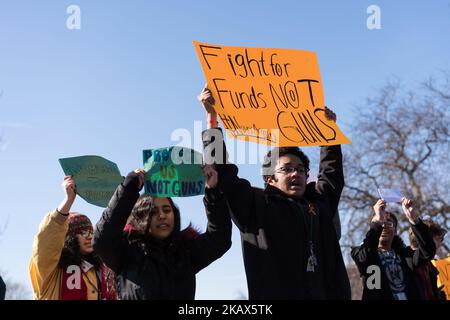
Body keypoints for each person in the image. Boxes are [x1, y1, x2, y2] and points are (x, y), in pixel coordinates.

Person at [197, 86, 351, 299]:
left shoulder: (319, 205)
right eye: (286, 169)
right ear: (270, 179)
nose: (295, 174)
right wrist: (211, 118)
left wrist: (329, 132)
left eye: (300, 170)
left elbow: (331, 172)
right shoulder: (255, 206)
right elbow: (222, 173)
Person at [93, 166, 232, 299]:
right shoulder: (126, 252)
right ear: (141, 217)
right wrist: (128, 188)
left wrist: (213, 193)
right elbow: (102, 240)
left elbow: (219, 239)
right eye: (153, 212)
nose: (162, 215)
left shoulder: (185, 252)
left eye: (167, 210)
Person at [29, 176, 117, 300]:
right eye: (83, 232)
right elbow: (47, 239)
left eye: (91, 232)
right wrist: (68, 200)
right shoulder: (49, 270)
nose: (89, 237)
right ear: (69, 238)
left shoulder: (102, 270)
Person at [351, 198, 436, 300]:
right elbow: (364, 258)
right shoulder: (363, 253)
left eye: (388, 223)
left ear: (395, 231)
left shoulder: (406, 255)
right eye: (380, 223)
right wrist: (377, 221)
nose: (384, 227)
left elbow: (428, 251)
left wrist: (414, 220)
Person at [409, 217, 447, 300]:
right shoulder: (405, 261)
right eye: (437, 239)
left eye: (441, 240)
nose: (439, 244)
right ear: (424, 239)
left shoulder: (430, 267)